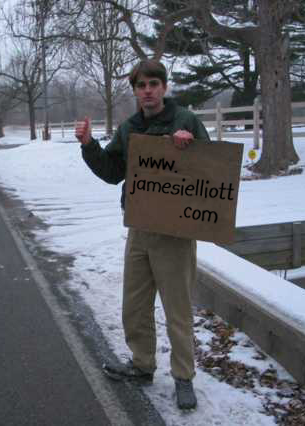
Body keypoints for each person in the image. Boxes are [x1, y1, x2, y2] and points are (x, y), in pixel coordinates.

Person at [75, 59, 211, 410]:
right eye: (141, 86)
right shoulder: (130, 128)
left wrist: (191, 145)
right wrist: (89, 144)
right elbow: (111, 171)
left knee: (177, 309)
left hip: (175, 231)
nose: (148, 90)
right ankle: (142, 364)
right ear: (135, 91)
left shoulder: (186, 121)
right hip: (139, 226)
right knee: (134, 306)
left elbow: (211, 168)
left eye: (153, 84)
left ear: (164, 87)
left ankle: (184, 377)